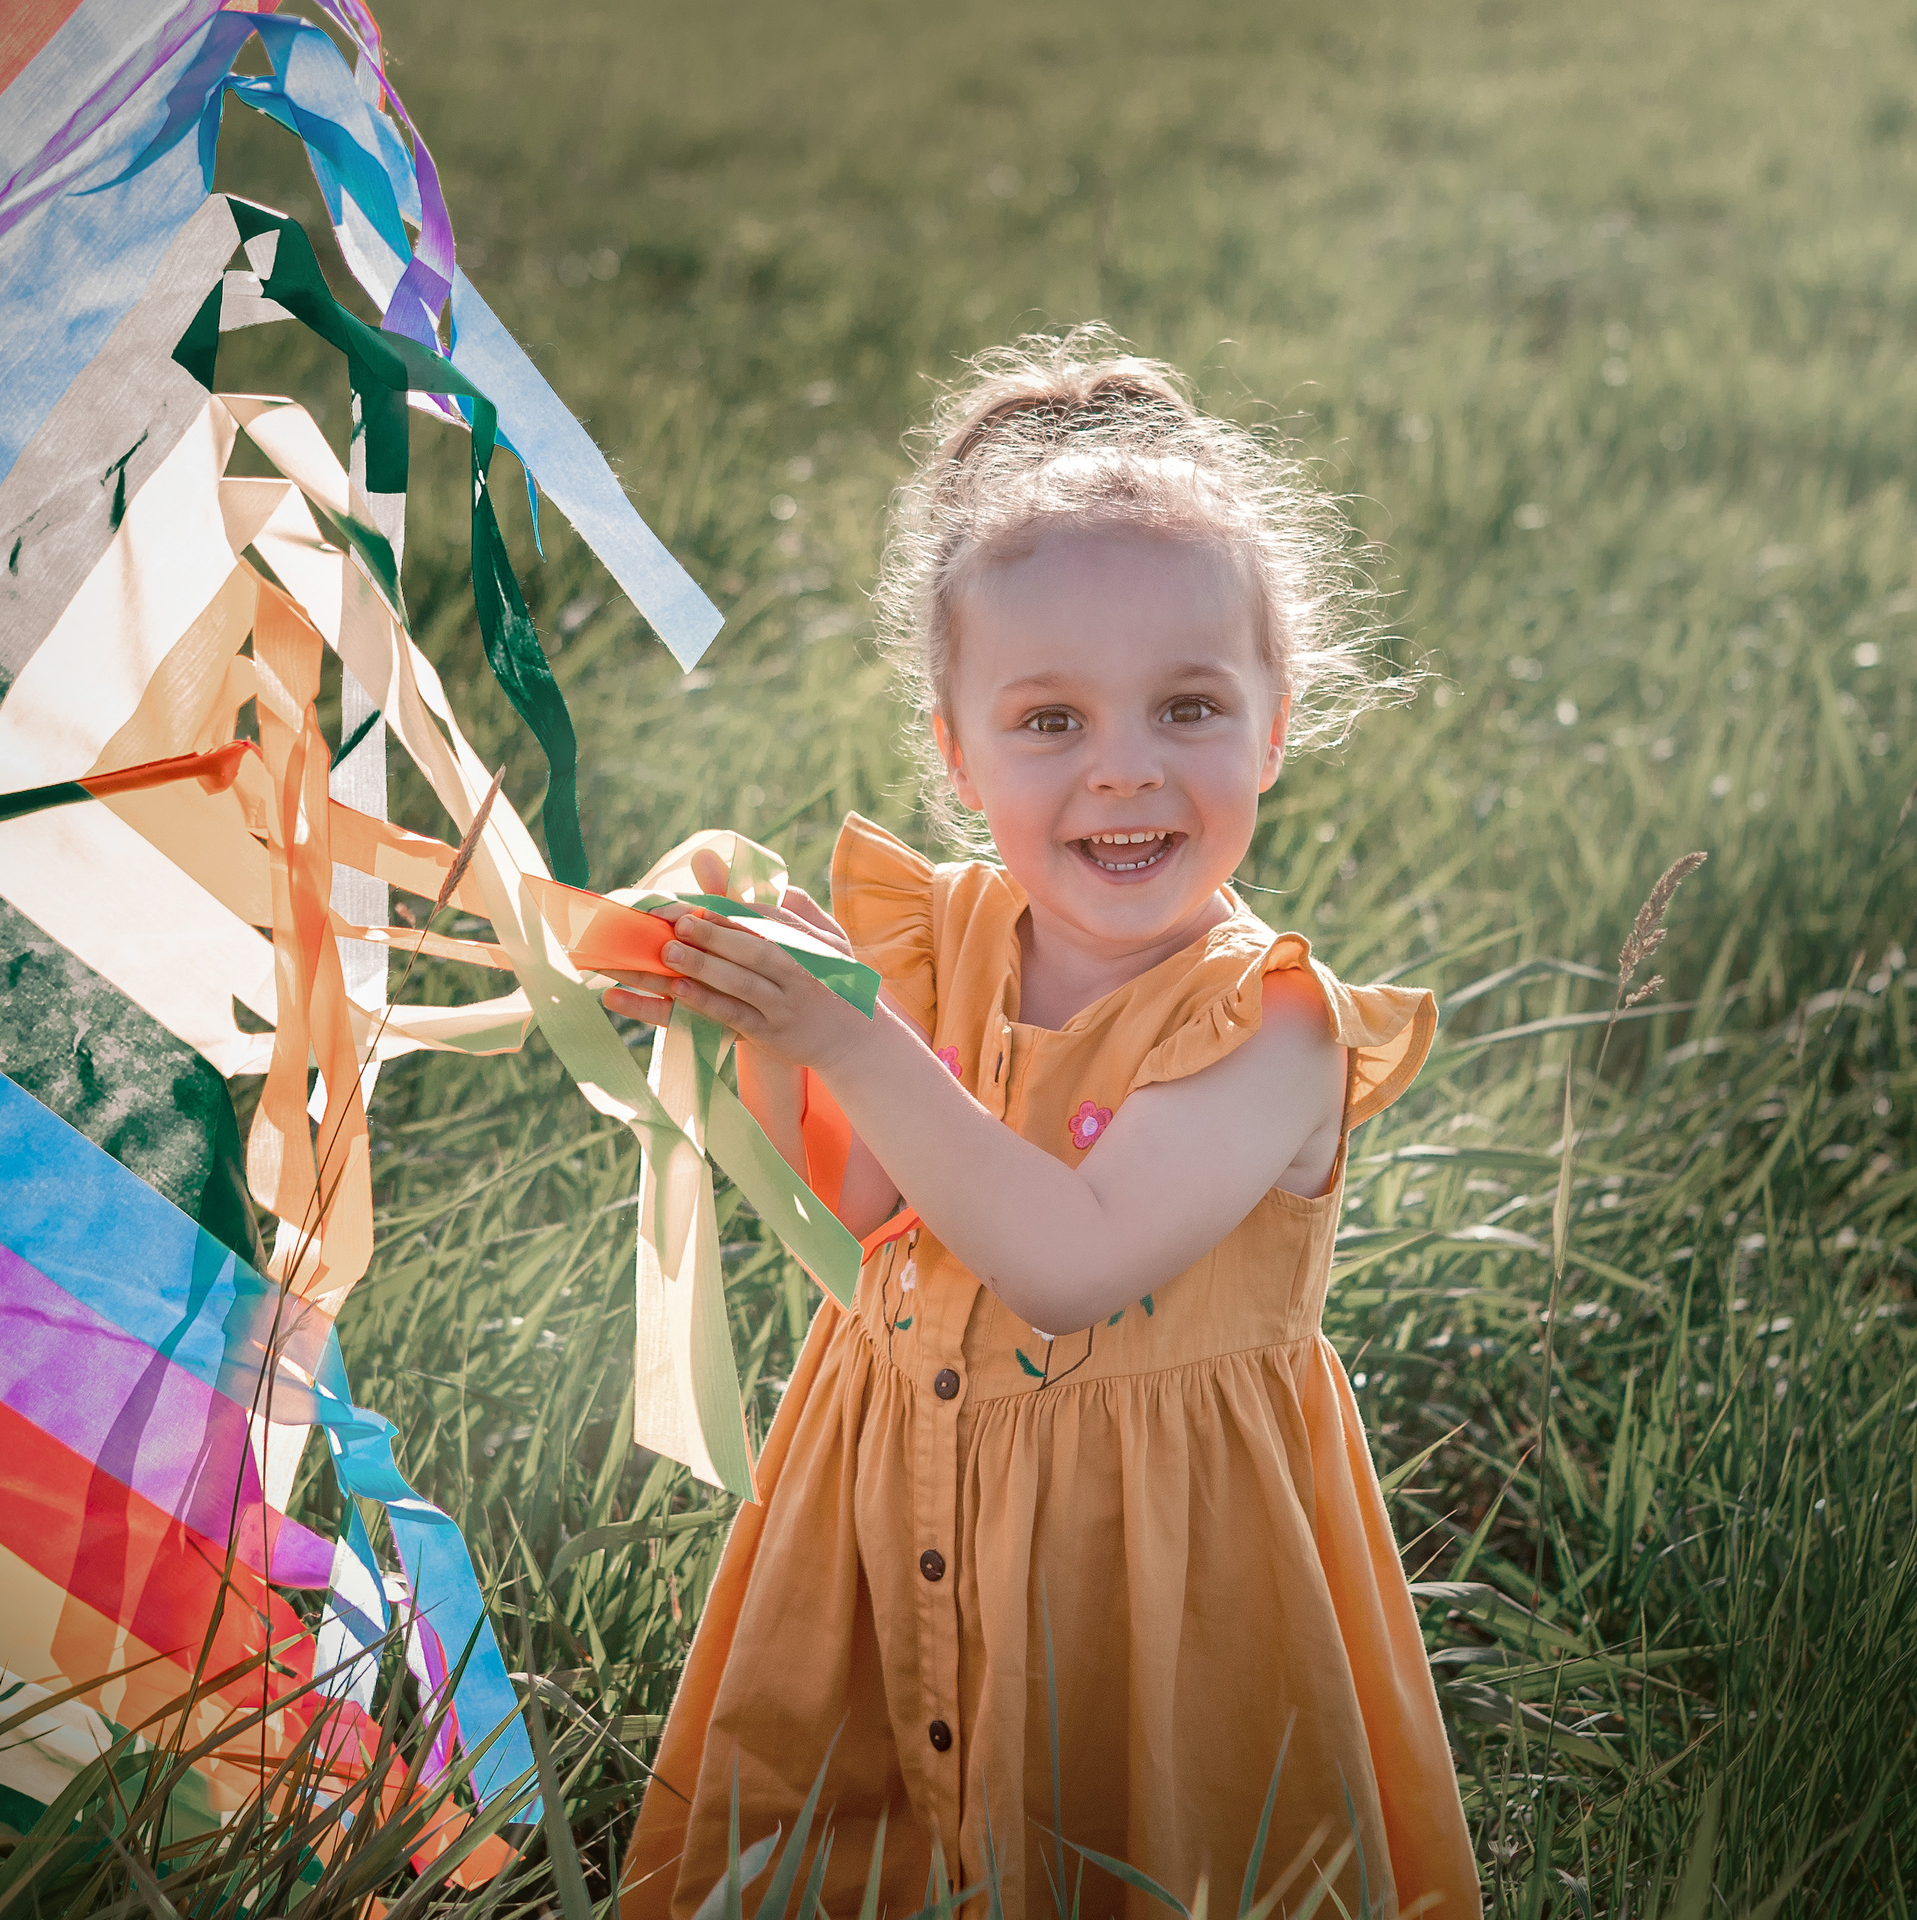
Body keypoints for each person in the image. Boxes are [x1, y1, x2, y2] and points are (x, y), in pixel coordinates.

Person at [604, 329, 1480, 1920]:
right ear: (957, 753)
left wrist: (850, 1039)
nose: (1124, 772)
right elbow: (870, 1200)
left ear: (1276, 727)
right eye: (1051, 722)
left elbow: (1072, 1262)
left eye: (1189, 708)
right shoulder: (937, 944)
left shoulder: (1274, 1026)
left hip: (1144, 1581)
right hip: (886, 1519)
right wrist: (747, 996)